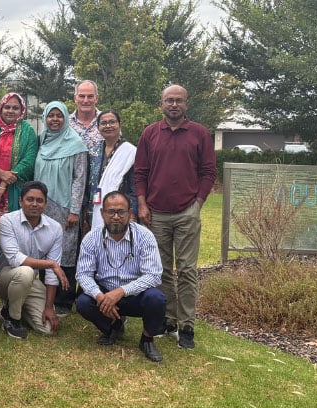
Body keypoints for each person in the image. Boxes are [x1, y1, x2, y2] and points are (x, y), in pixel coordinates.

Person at [134, 84, 217, 350]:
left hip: (186, 212)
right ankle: (168, 320)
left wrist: (198, 203)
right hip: (156, 213)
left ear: (186, 104)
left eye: (179, 100)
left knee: (187, 270)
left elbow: (209, 171)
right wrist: (142, 204)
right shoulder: (150, 133)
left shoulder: (199, 133)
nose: (173, 105)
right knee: (161, 270)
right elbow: (140, 172)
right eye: (169, 100)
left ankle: (187, 326)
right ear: (161, 104)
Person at [75, 192, 165, 362]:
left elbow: (153, 275)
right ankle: (113, 327)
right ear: (102, 213)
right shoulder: (91, 238)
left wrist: (121, 292)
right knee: (83, 302)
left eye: (121, 212)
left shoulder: (144, 236)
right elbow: (83, 274)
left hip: (134, 295)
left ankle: (147, 339)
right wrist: (99, 296)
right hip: (105, 295)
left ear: (130, 213)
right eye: (111, 212)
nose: (116, 217)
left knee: (156, 298)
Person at [34, 101, 88, 318]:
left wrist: (74, 210)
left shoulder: (76, 144)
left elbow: (79, 179)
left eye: (59, 115)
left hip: (65, 208)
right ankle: (41, 296)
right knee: (43, 248)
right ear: (45, 118)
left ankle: (64, 299)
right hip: (41, 205)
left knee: (65, 252)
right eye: (51, 115)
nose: (54, 120)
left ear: (66, 118)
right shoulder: (42, 140)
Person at [0, 182, 65, 339]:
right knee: (26, 272)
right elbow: (15, 259)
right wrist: (51, 264)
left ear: (45, 204)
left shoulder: (55, 228)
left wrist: (49, 307)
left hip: (29, 281)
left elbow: (52, 274)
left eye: (39, 200)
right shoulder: (7, 220)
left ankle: (12, 307)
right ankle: (12, 319)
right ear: (21, 201)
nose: (34, 204)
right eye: (30, 199)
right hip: (0, 279)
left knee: (48, 329)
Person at [83, 110, 137, 232]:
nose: (108, 126)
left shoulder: (130, 152)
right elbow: (90, 183)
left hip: (120, 210)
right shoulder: (94, 152)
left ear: (120, 125)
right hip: (96, 208)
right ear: (98, 127)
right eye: (104, 123)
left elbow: (134, 186)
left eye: (112, 122)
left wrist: (132, 212)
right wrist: (86, 210)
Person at [69, 80, 104, 163]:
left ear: (96, 98)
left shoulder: (107, 121)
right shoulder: (66, 124)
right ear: (75, 98)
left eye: (90, 96)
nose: (85, 100)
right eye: (81, 96)